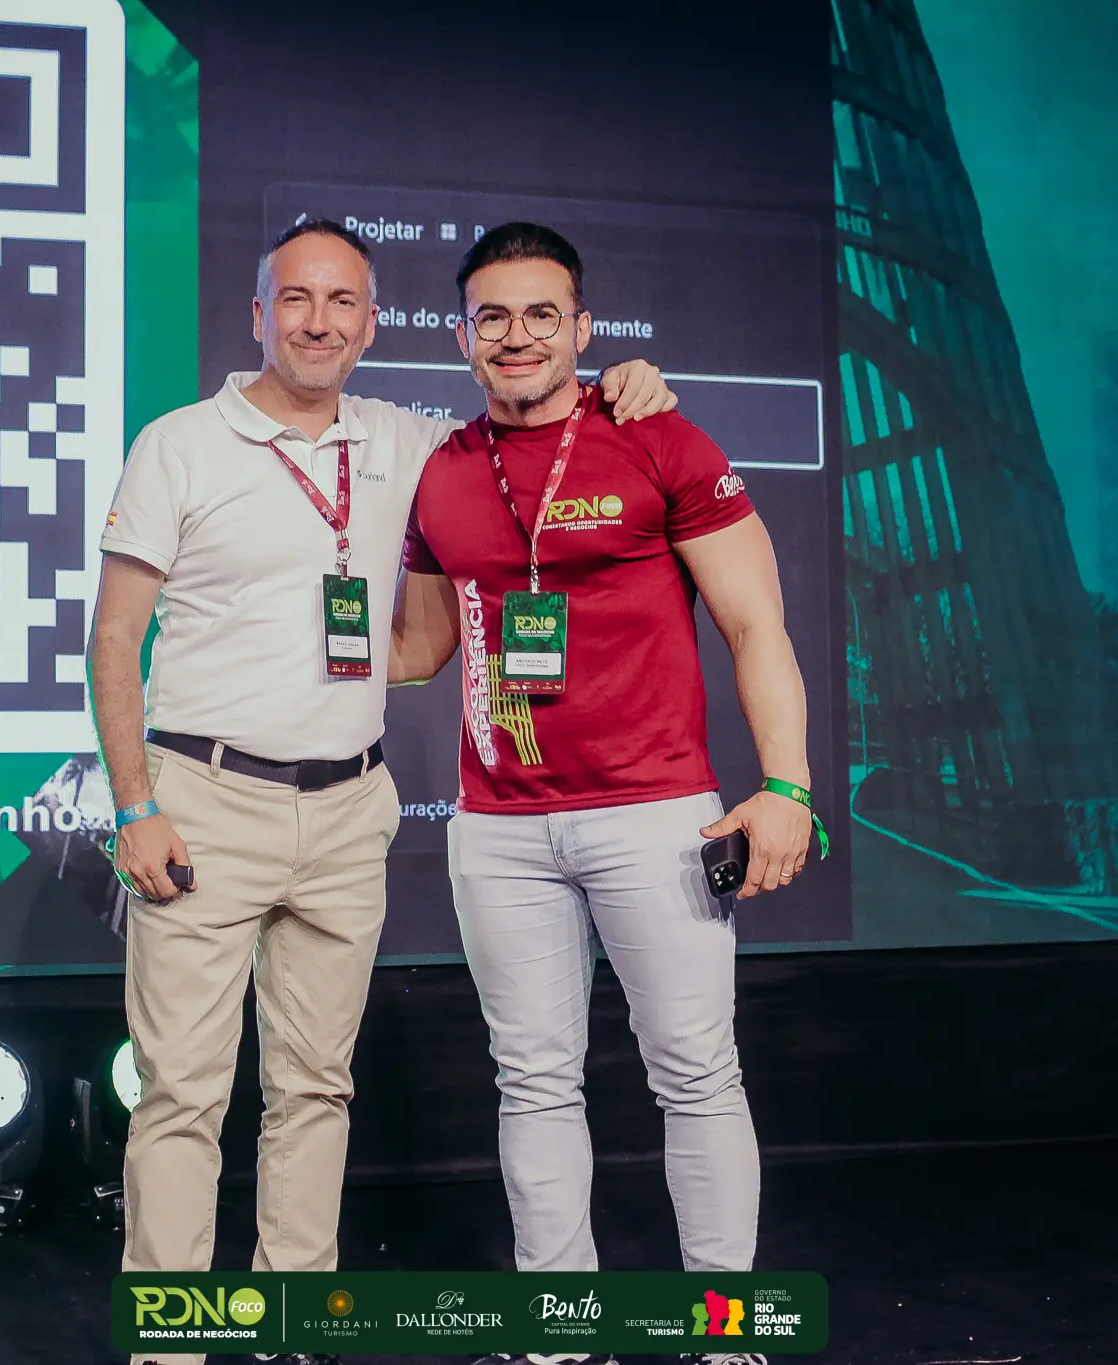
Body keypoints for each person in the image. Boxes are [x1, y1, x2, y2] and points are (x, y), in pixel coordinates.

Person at [87, 219, 677, 1365]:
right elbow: (115, 640)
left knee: (315, 1088)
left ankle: (290, 1328)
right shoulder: (179, 445)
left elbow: (534, 422)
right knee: (182, 1097)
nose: (318, 322)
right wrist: (135, 807)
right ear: (257, 315)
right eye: (295, 299)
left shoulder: (409, 444)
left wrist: (622, 387)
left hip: (349, 808)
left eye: (342, 302)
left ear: (371, 322)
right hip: (203, 803)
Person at [392, 223, 822, 1342]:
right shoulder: (442, 471)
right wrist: (256, 634)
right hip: (497, 829)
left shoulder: (656, 437)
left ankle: (721, 1327)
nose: (517, 335)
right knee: (532, 1082)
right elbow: (420, 647)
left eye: (542, 314)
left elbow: (756, 624)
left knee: (695, 1075)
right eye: (492, 316)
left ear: (583, 328)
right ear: (461, 337)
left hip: (655, 817)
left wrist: (787, 787)